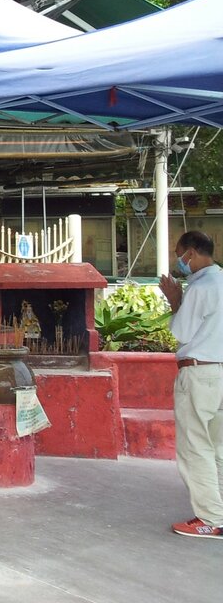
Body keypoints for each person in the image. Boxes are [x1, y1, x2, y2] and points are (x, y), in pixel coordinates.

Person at [158, 230, 223, 539]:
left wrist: (175, 301)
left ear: (191, 255)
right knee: (219, 447)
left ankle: (210, 518)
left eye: (178, 254)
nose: (177, 261)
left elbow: (182, 333)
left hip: (199, 374)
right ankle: (218, 512)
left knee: (195, 447)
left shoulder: (200, 289)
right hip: (220, 373)